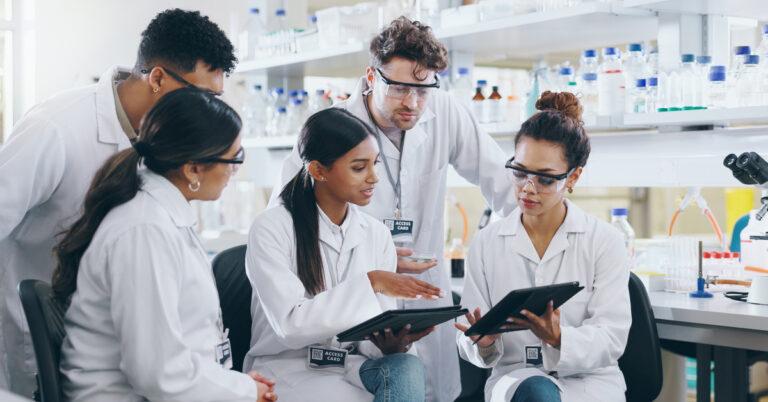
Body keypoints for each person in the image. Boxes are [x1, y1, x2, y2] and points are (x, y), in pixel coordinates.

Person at [269, 17, 517, 401]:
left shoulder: (445, 113)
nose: (413, 103)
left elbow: (503, 185)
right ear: (371, 76)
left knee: (424, 385)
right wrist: (372, 263)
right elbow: (287, 226)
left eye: (423, 90)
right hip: (351, 301)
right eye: (399, 88)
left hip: (423, 293)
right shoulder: (331, 129)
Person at [0, 9, 236, 394]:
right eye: (202, 97)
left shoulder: (165, 145)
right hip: (36, 337)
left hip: (115, 340)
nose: (208, 112)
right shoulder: (56, 129)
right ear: (158, 78)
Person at [54, 88, 277, 402]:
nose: (234, 172)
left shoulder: (162, 216)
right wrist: (242, 391)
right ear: (193, 169)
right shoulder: (145, 229)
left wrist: (233, 385)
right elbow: (158, 374)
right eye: (233, 159)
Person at [247, 108, 445, 401]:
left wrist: (390, 344)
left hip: (349, 366)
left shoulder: (376, 234)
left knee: (407, 367)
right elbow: (291, 326)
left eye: (375, 164)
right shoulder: (272, 228)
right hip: (290, 369)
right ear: (318, 170)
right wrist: (372, 282)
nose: (374, 178)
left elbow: (371, 330)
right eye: (358, 167)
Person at [455, 92, 632, 402]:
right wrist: (483, 343)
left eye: (546, 180)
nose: (527, 188)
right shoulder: (487, 243)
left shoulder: (604, 241)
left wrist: (560, 337)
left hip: (589, 383)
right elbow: (471, 337)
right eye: (520, 172)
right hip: (516, 377)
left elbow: (612, 336)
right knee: (537, 393)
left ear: (573, 177)